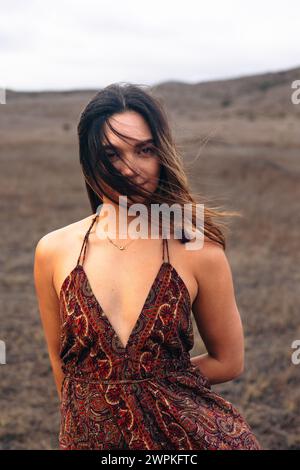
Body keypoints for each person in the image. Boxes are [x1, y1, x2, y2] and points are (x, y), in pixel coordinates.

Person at [34, 83, 262, 450]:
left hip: (184, 439)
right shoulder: (54, 250)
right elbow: (62, 369)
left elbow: (228, 361)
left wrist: (148, 382)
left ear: (162, 154)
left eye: (144, 150)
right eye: (111, 153)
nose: (130, 168)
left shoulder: (198, 249)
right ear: (89, 159)